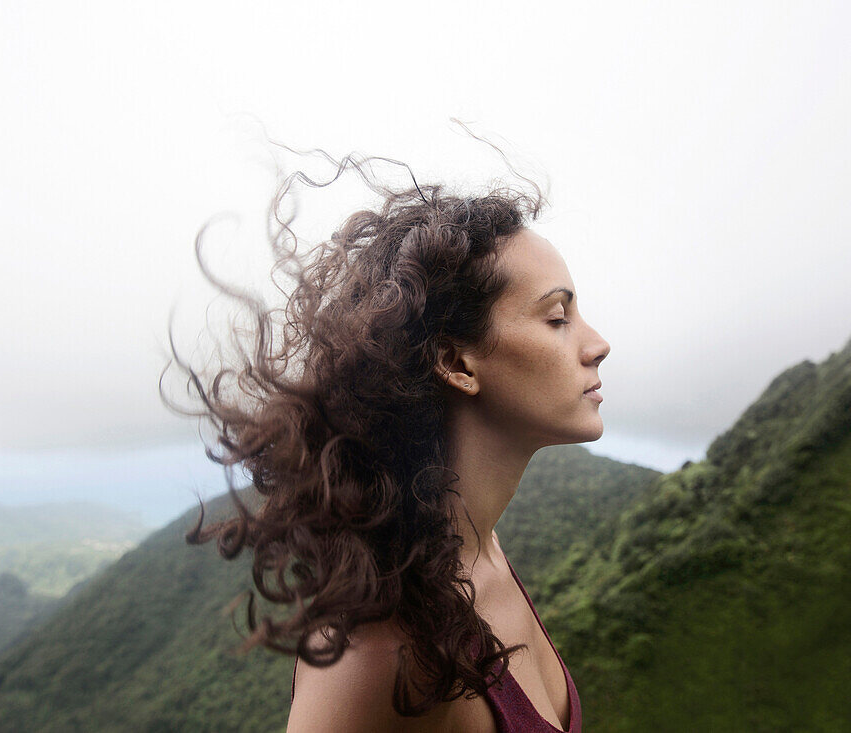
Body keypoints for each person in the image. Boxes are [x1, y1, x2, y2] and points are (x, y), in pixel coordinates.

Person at [174, 149, 609, 732]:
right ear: (456, 360)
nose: (597, 343)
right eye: (557, 317)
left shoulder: (479, 549)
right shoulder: (377, 648)